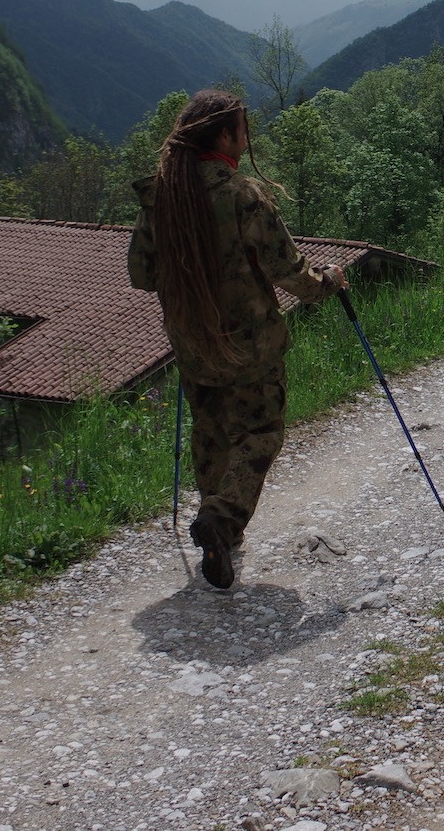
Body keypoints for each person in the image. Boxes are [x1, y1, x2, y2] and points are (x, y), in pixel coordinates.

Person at [128, 89, 345, 591]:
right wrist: (329, 280)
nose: (248, 140)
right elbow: (289, 273)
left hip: (192, 343)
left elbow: (142, 274)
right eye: (244, 130)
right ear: (224, 135)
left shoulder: (163, 197)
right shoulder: (242, 195)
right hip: (250, 346)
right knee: (260, 433)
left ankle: (216, 532)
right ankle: (222, 522)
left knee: (212, 434)